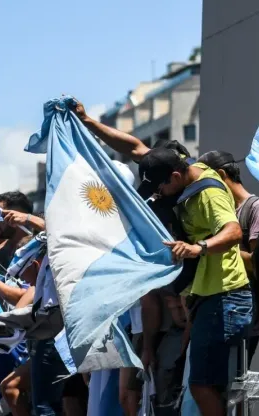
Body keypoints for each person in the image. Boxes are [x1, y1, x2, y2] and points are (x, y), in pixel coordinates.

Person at [71, 98, 190, 414]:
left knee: (166, 395)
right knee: (132, 397)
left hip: (180, 309)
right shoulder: (153, 199)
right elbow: (135, 147)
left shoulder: (197, 194)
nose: (156, 185)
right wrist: (88, 123)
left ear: (177, 171)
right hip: (148, 313)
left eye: (160, 177)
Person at [137, 145, 252, 416]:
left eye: (159, 188)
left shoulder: (209, 192)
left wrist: (197, 248)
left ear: (175, 177)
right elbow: (135, 147)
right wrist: (89, 122)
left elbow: (234, 232)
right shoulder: (187, 171)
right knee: (205, 386)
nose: (158, 195)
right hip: (208, 297)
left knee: (202, 386)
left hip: (225, 296)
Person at [197, 150, 259, 366]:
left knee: (235, 380)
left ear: (220, 175)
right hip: (219, 304)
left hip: (246, 310)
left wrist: (220, 248)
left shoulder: (257, 208)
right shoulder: (223, 210)